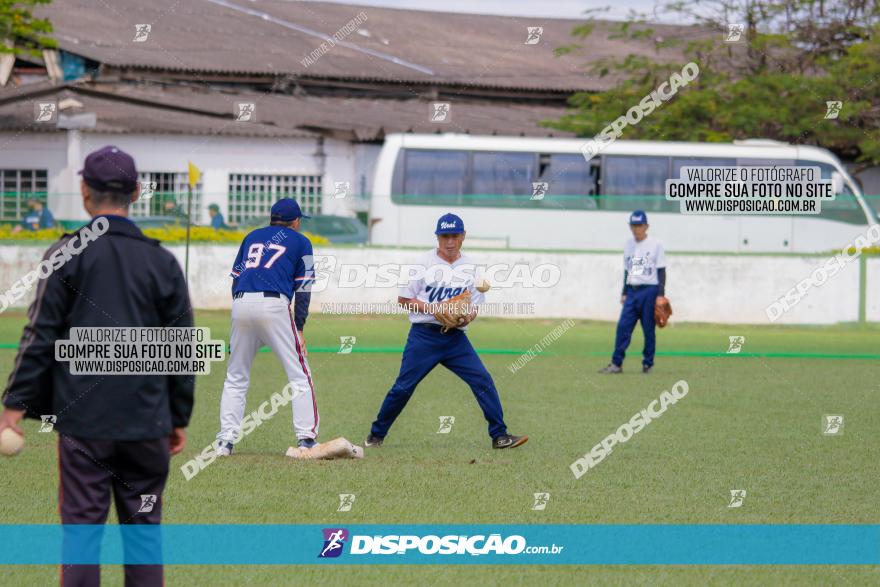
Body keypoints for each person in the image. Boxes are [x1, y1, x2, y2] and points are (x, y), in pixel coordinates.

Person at [0, 145, 195, 586]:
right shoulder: (162, 261)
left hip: (85, 424)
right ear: (137, 191)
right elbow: (180, 345)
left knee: (82, 536)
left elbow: (40, 336)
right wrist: (177, 417)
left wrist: (14, 405)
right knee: (144, 535)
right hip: (147, 425)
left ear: (85, 192)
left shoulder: (66, 253)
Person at [365, 212, 528, 450]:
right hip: (424, 336)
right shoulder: (424, 263)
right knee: (404, 387)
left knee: (482, 379)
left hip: (455, 339)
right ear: (437, 237)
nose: (449, 242)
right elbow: (403, 298)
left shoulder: (470, 267)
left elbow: (473, 306)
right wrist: (434, 308)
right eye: (444, 236)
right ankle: (376, 435)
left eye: (454, 236)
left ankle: (499, 436)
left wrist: (466, 317)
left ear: (463, 236)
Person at [216, 198, 319, 455]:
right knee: (299, 374)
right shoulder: (300, 241)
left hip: (241, 303)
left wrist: (241, 312)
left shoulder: (252, 237)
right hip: (274, 305)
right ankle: (306, 439)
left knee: (236, 377)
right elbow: (303, 288)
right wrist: (300, 328)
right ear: (295, 222)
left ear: (272, 218)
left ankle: (224, 442)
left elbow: (236, 279)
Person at [599, 210, 667, 374]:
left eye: (639, 225)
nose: (636, 229)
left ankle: (648, 363)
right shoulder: (628, 244)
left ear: (646, 226)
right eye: (633, 226)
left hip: (649, 291)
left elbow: (661, 271)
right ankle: (616, 363)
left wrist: (660, 295)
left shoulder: (656, 244)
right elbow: (627, 270)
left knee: (648, 329)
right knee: (623, 327)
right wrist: (624, 291)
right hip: (632, 291)